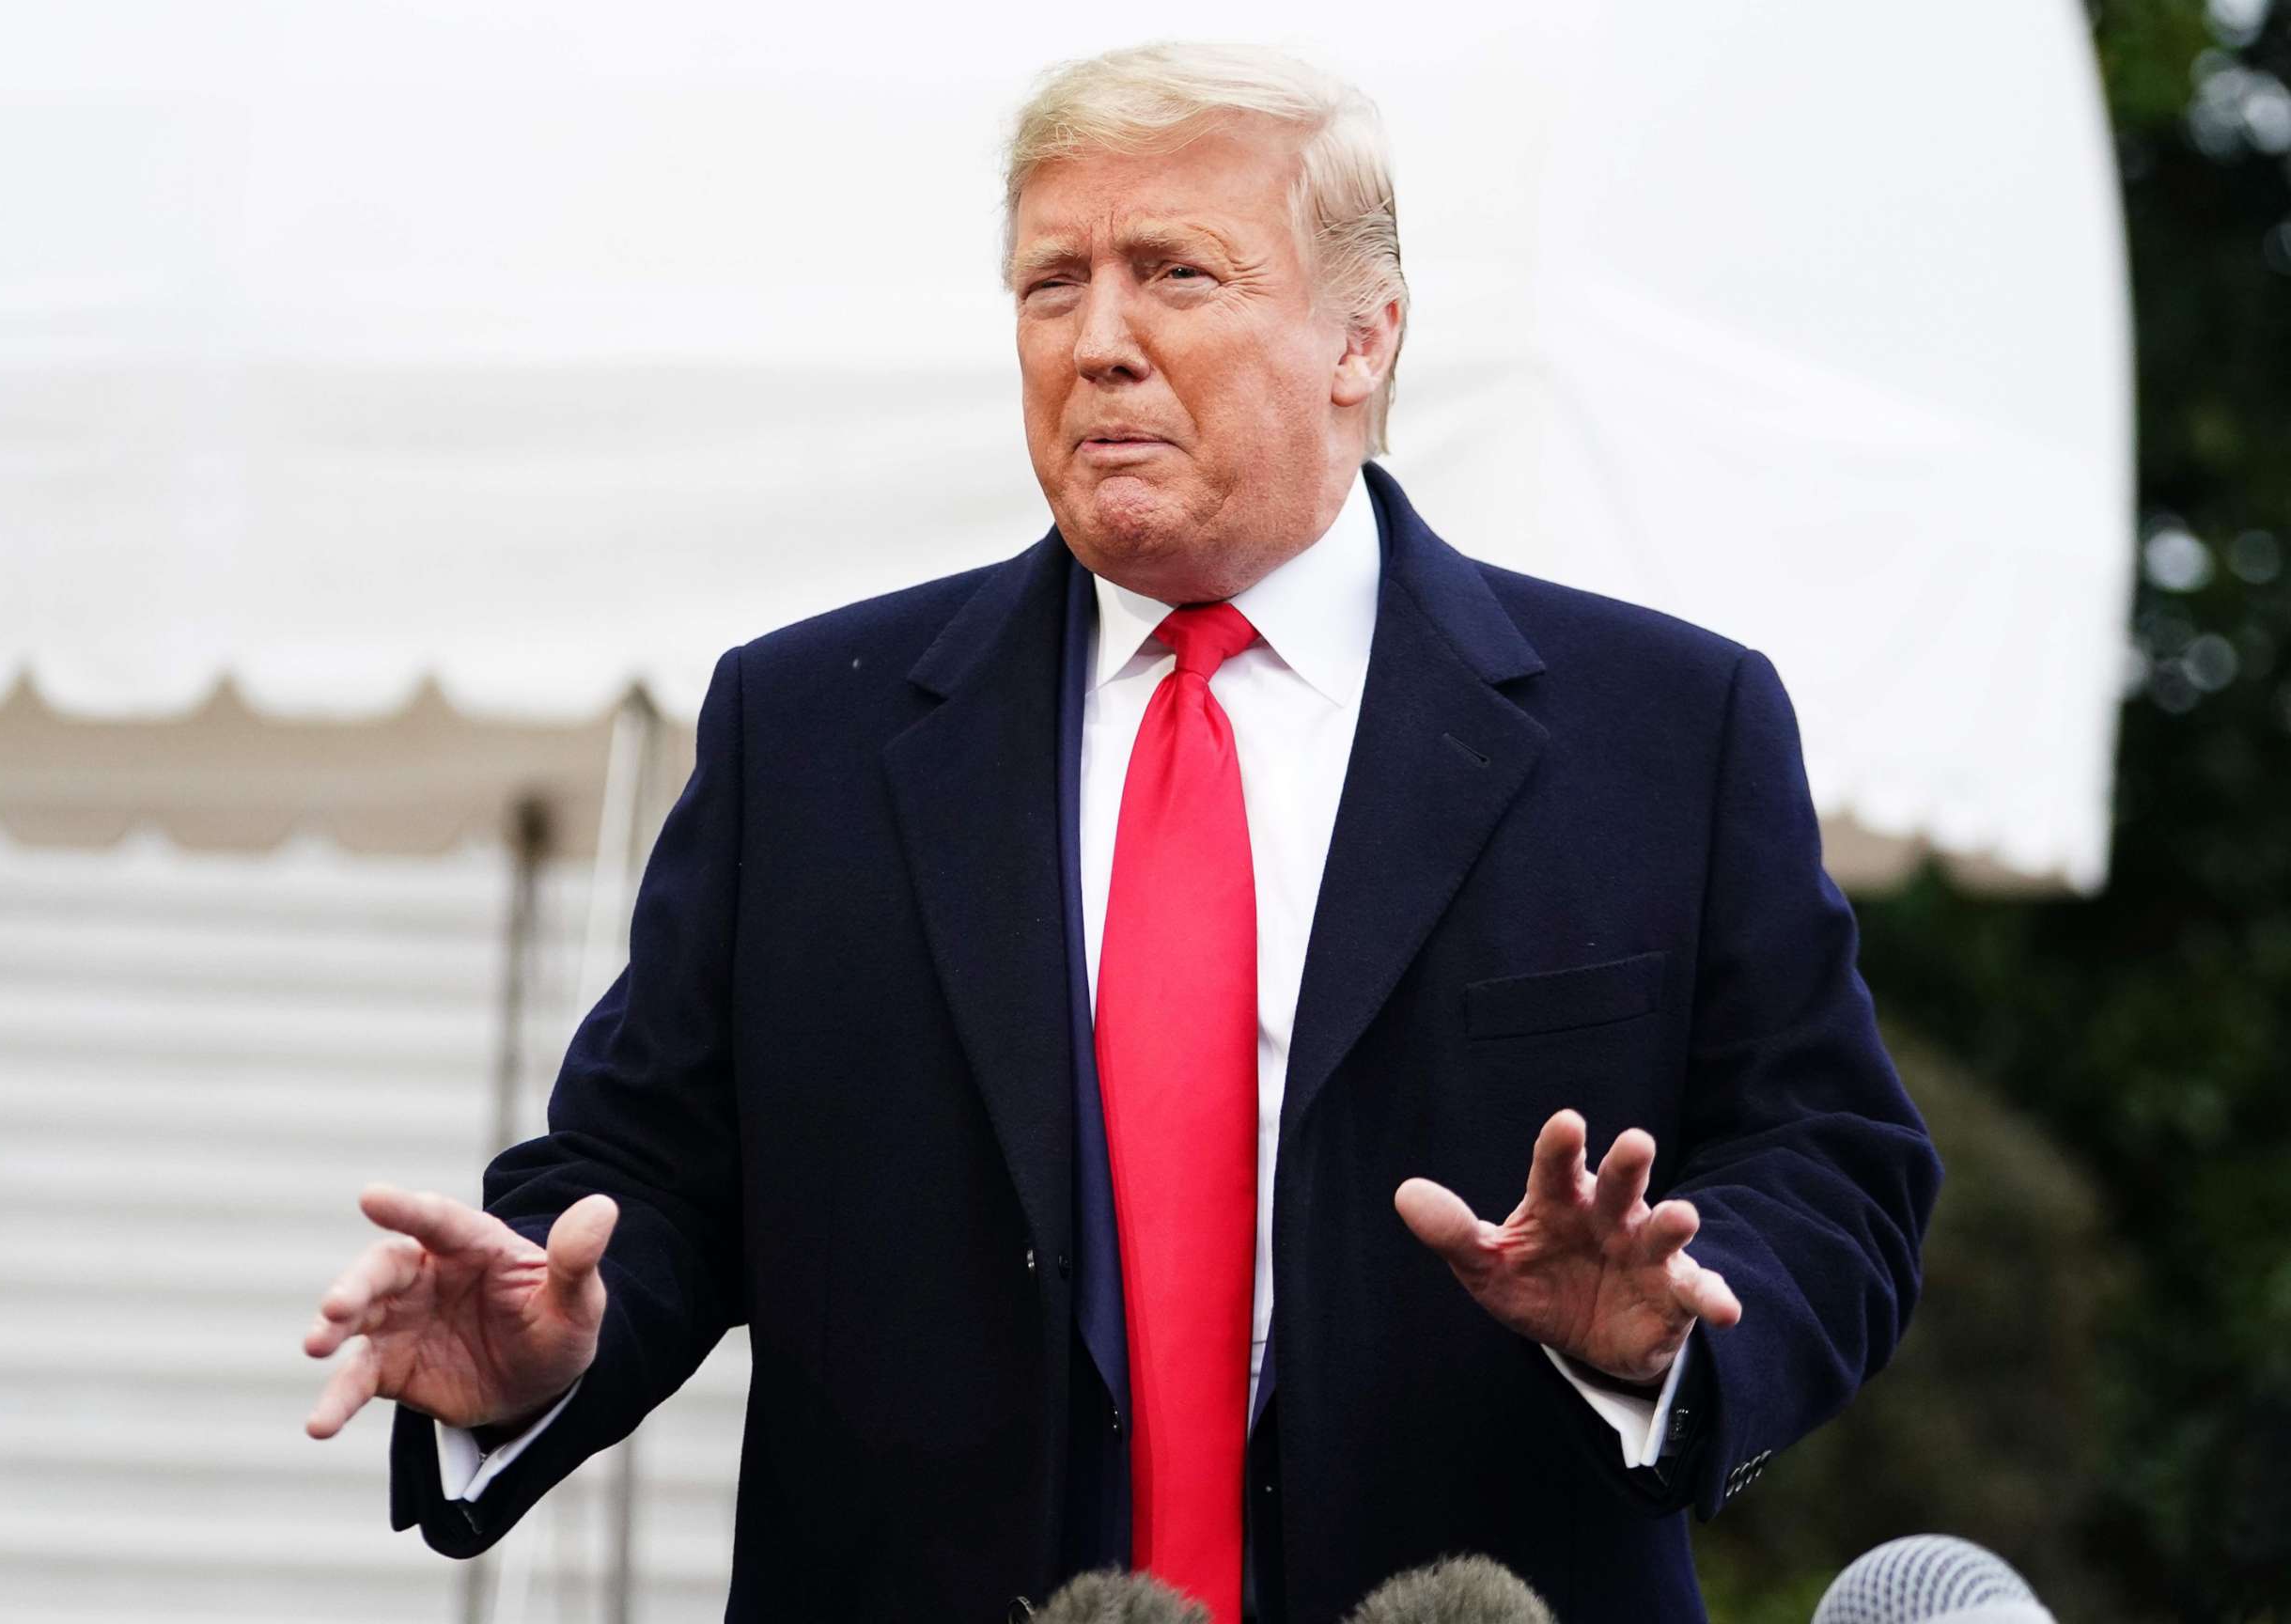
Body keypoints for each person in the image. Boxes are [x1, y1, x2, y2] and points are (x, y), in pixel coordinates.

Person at [301, 41, 1940, 1624]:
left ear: (1361, 338)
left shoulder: (1659, 729)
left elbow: (1837, 1167)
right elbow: (641, 1174)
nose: (1096, 341)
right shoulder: (810, 732)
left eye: (1175, 273)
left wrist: (1670, 1328)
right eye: (1049, 283)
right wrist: (544, 1344)